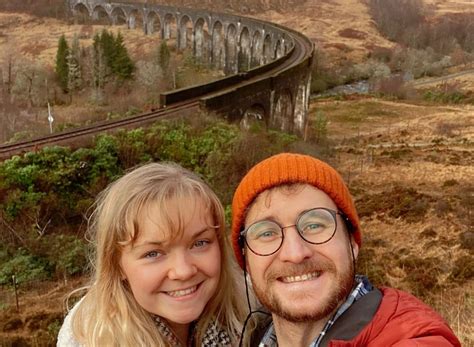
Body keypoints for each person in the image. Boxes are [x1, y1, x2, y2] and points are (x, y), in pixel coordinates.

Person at [231, 152, 461, 346]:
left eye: (314, 225)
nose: (295, 253)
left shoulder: (413, 337)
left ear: (352, 242)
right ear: (246, 259)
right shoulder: (247, 335)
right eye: (267, 233)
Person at [57, 162, 246, 346]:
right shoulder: (90, 341)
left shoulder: (250, 314)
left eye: (200, 243)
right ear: (116, 264)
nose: (183, 271)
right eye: (153, 253)